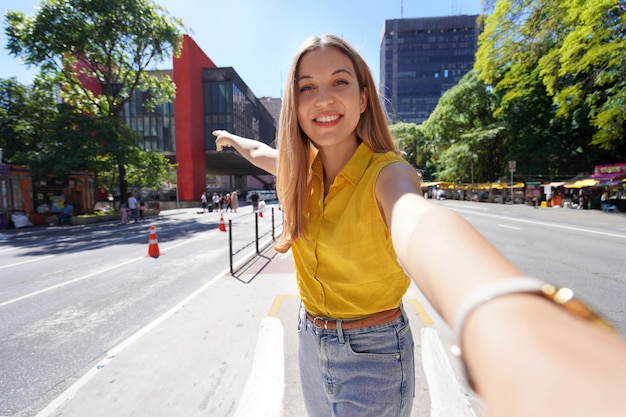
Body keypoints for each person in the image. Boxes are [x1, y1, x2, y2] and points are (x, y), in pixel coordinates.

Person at [213, 34, 626, 417]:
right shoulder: (301, 169)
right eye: (307, 87)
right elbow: (261, 151)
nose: (323, 99)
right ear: (295, 106)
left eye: (339, 82)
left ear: (362, 99)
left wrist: (501, 308)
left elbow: (418, 221)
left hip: (373, 353)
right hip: (309, 339)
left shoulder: (388, 173)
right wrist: (232, 137)